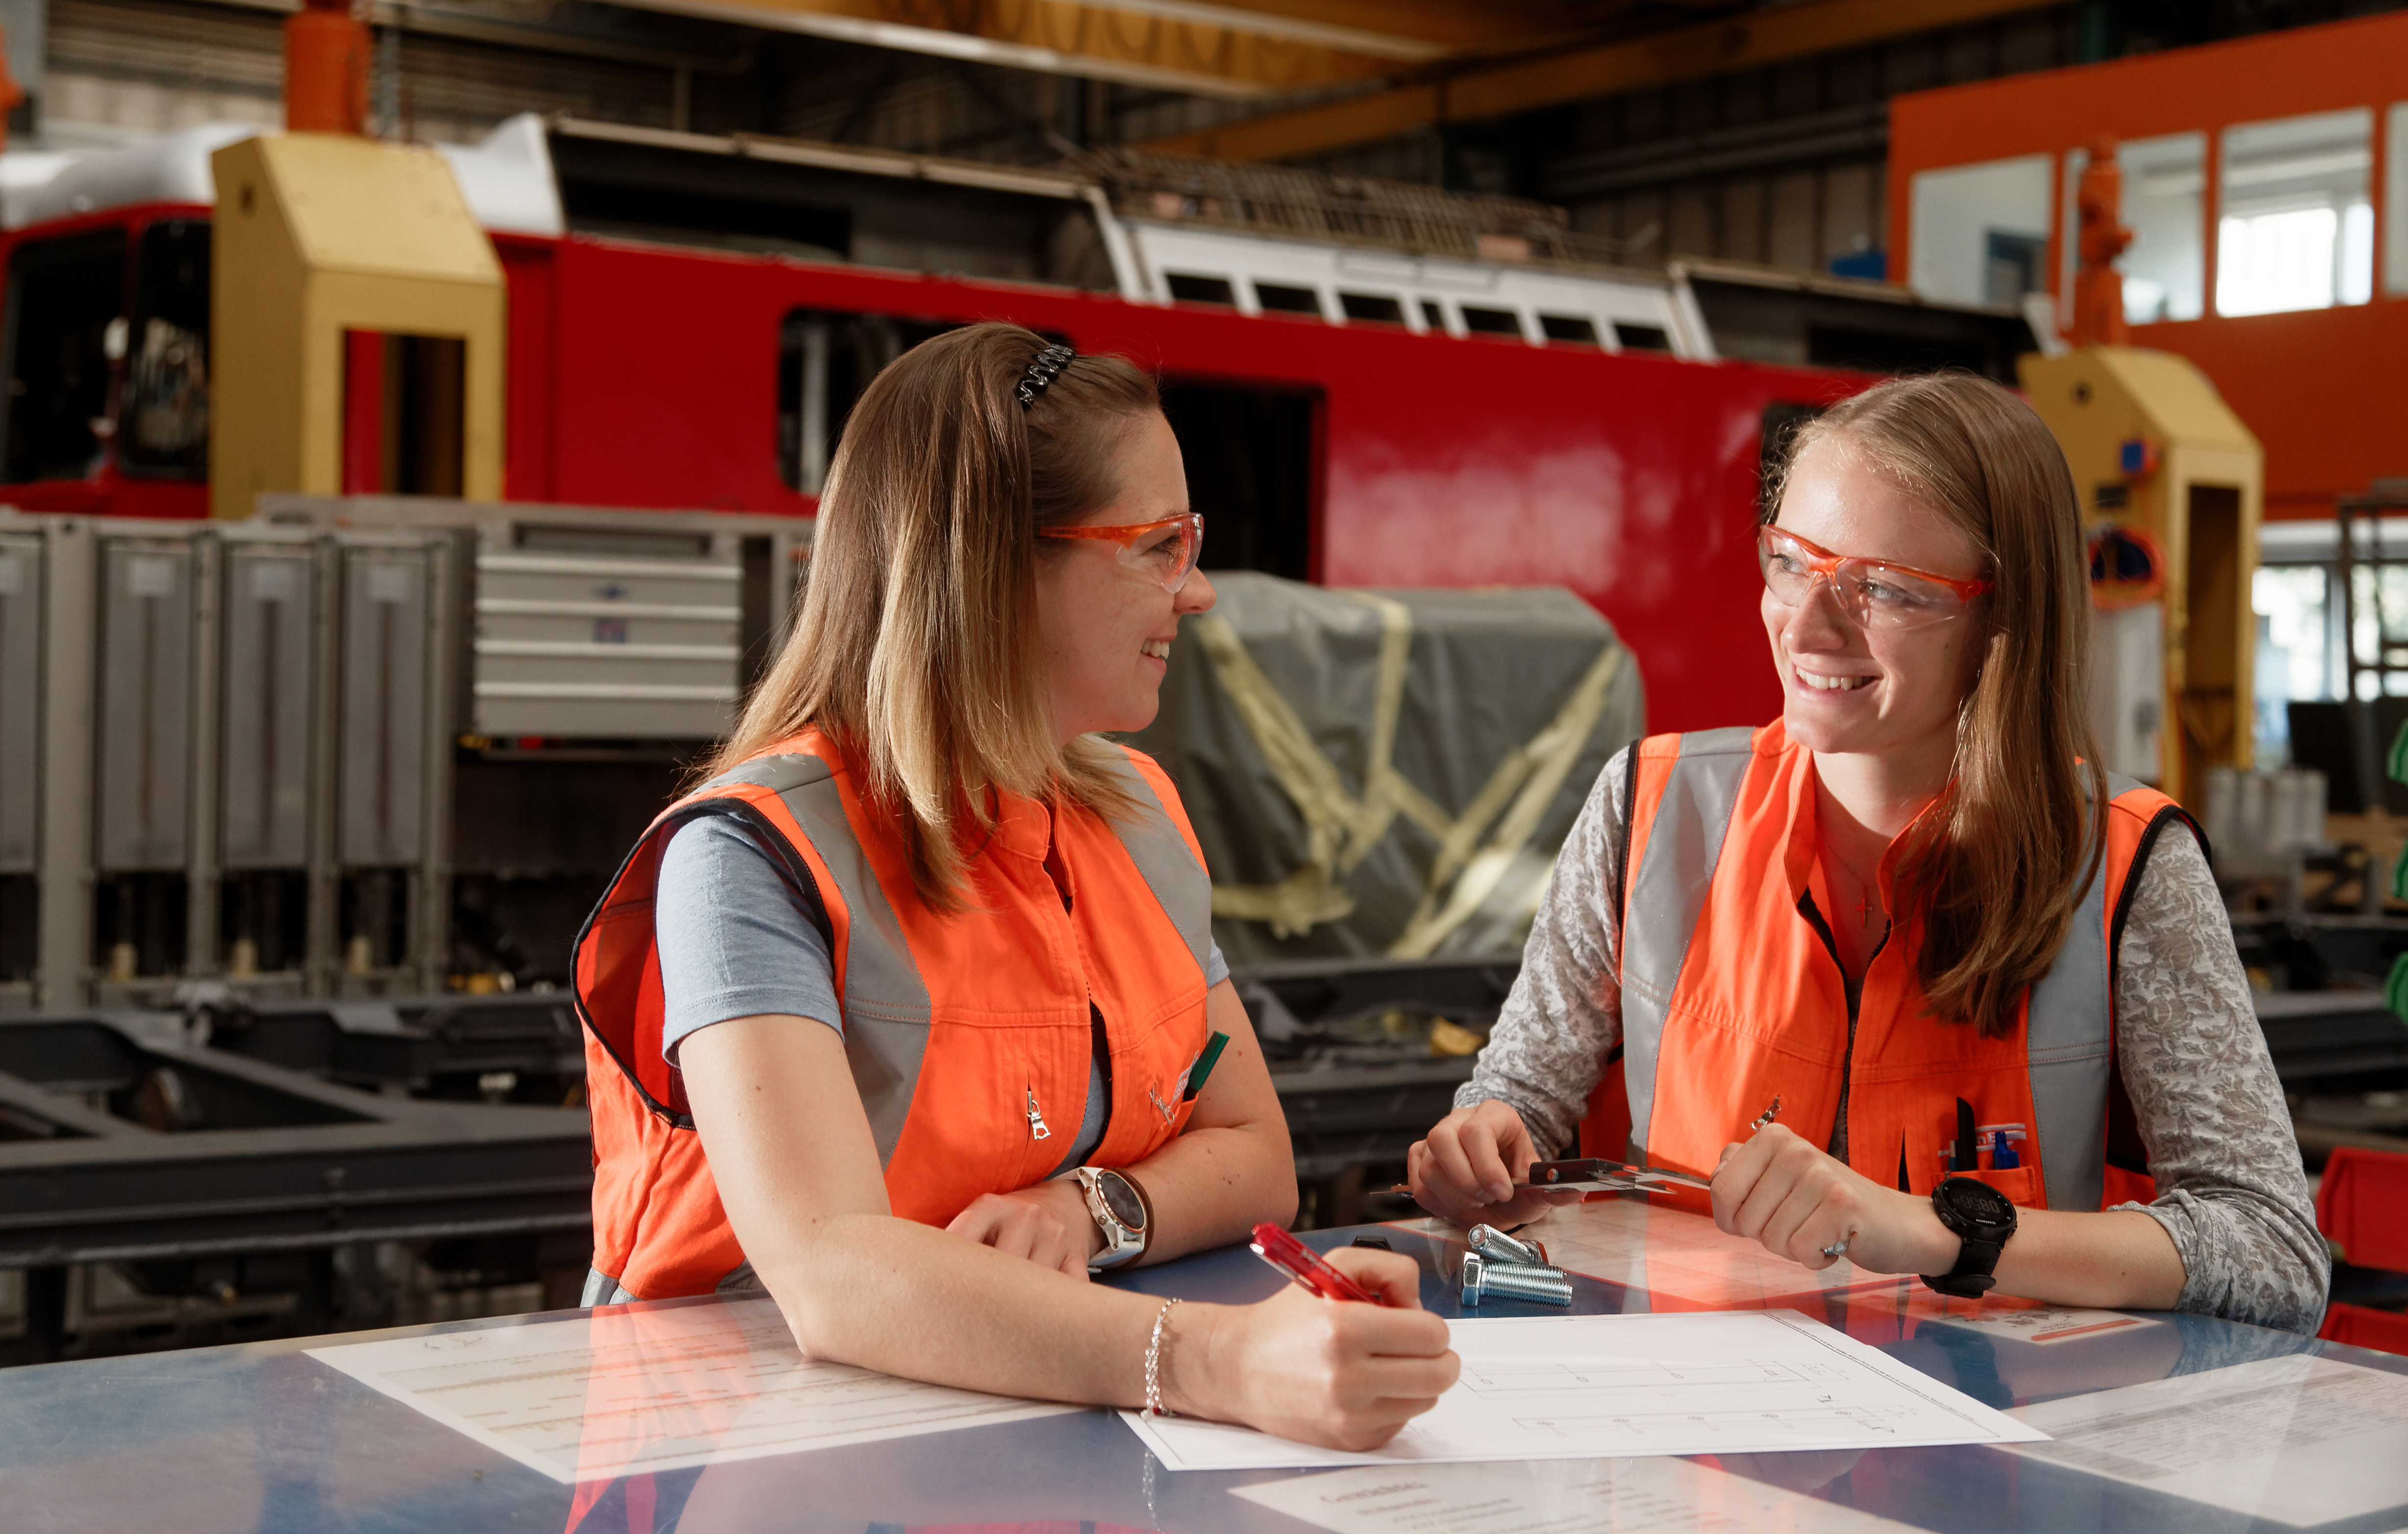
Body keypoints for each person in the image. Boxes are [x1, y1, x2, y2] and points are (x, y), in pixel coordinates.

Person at [574, 324, 1457, 1449]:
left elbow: (1256, 1156)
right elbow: (832, 1269)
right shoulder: (750, 857)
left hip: (1006, 1434)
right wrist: (1218, 1360)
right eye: (1158, 546)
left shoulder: (1134, 819)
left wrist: (1093, 1210)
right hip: (745, 1453)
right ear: (994, 568)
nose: (1199, 596)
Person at [1409, 373, 2329, 1333]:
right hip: (1697, 1449)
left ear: (2003, 617)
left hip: (1999, 1450)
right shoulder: (1653, 808)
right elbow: (1515, 1104)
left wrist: (1935, 1231)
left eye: (1884, 589)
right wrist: (1480, 1145)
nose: (1807, 626)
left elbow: (2271, 1251)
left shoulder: (2124, 867)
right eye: (1793, 563)